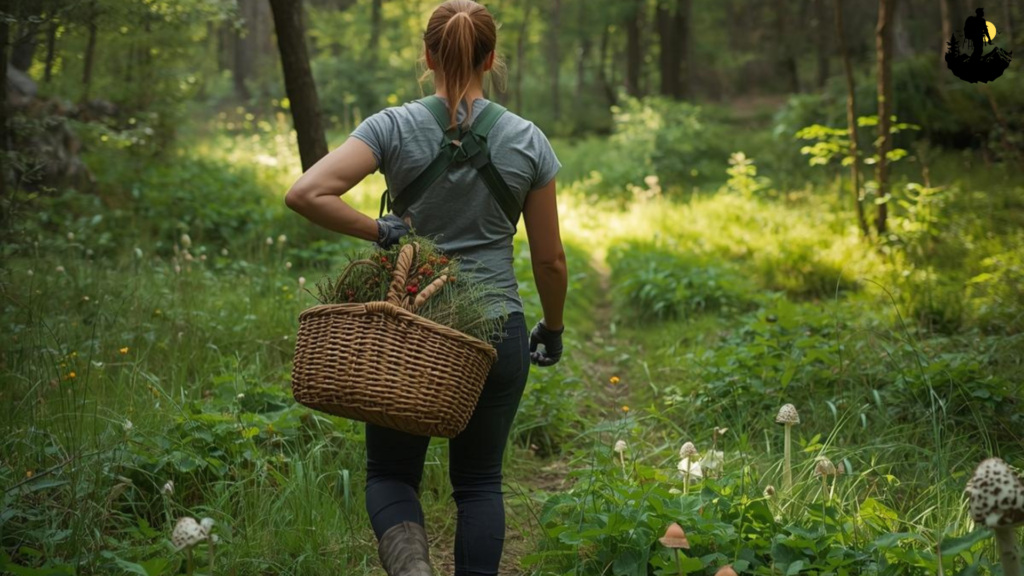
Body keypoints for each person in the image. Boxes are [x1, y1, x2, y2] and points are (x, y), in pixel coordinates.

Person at [283, 1, 568, 574]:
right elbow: (551, 260)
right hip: (495, 331)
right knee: (480, 482)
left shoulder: (391, 127)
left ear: (428, 54)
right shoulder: (527, 140)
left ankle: (411, 568)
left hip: (407, 332)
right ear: (491, 58)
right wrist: (552, 328)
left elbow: (306, 193)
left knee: (391, 474)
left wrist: (381, 227)